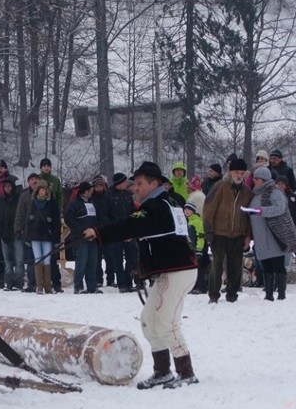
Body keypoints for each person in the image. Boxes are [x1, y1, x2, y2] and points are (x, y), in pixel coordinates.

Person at [83, 161, 199, 389]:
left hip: (178, 271)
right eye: (133, 184)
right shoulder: (164, 203)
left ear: (154, 183)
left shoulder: (156, 207)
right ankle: (162, 371)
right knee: (149, 320)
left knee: (166, 322)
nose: (134, 188)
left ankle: (186, 373)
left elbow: (129, 226)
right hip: (171, 270)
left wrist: (98, 232)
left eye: (139, 184)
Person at [202, 157, 253, 303]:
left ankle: (232, 294)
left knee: (235, 265)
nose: (239, 175)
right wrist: (209, 231)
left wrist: (247, 235)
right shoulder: (220, 186)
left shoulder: (247, 192)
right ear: (230, 172)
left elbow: (248, 215)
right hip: (219, 233)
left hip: (238, 234)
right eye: (237, 172)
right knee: (217, 265)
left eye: (242, 173)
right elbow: (208, 209)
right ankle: (213, 294)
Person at [245, 167, 296, 301]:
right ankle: (269, 293)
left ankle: (281, 293)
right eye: (255, 178)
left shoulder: (274, 191)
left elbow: (279, 208)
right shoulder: (255, 194)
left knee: (278, 264)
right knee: (267, 266)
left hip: (274, 234)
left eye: (258, 179)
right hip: (260, 236)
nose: (255, 181)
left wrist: (260, 211)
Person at [104, 172, 139, 293]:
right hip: (116, 232)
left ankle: (129, 281)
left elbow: (133, 211)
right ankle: (122, 284)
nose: (126, 184)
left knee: (132, 257)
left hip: (128, 231)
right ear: (118, 183)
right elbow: (105, 216)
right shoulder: (108, 196)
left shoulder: (128, 195)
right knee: (117, 259)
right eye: (124, 182)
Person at [65, 181, 101, 293]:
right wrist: (82, 230)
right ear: (85, 191)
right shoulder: (74, 204)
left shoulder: (92, 203)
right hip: (81, 238)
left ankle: (92, 286)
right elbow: (69, 219)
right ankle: (78, 286)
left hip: (93, 237)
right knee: (81, 262)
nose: (92, 191)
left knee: (92, 262)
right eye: (90, 189)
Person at [26, 180, 60, 294]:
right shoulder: (33, 203)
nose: (42, 191)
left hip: (47, 236)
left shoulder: (52, 204)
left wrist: (56, 238)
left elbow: (56, 222)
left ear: (47, 191)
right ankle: (39, 286)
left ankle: (47, 286)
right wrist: (27, 236)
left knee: (47, 260)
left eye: (44, 189)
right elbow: (28, 222)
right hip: (35, 235)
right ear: (37, 191)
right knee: (38, 259)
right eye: (40, 189)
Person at [0, 175, 24, 291]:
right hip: (4, 234)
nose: (7, 188)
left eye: (9, 186)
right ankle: (9, 282)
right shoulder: (0, 200)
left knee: (19, 261)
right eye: (5, 186)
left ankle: (19, 282)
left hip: (17, 233)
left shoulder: (19, 199)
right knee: (7, 262)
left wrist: (20, 229)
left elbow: (22, 215)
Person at [14, 173, 41, 292]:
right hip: (28, 231)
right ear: (28, 182)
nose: (34, 181)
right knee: (30, 259)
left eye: (36, 179)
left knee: (44, 258)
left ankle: (43, 282)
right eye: (32, 179)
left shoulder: (45, 194)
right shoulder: (24, 196)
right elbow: (19, 213)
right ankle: (31, 283)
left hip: (42, 231)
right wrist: (18, 229)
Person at [183, 202, 208, 294]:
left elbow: (201, 236)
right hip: (191, 249)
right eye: (185, 209)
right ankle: (194, 286)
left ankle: (201, 287)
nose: (187, 211)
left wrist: (199, 250)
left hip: (198, 249)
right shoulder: (189, 221)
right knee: (192, 269)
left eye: (189, 209)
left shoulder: (197, 221)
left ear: (193, 211)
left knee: (199, 269)